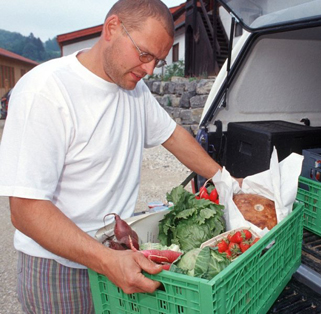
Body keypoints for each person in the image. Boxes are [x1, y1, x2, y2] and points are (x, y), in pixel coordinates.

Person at [0, 0, 225, 312]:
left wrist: (227, 182)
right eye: (144, 53)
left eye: (157, 61)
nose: (148, 69)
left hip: (116, 255)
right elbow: (25, 210)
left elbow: (173, 136)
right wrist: (107, 261)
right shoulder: (46, 91)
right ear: (112, 28)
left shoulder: (135, 90)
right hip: (59, 270)